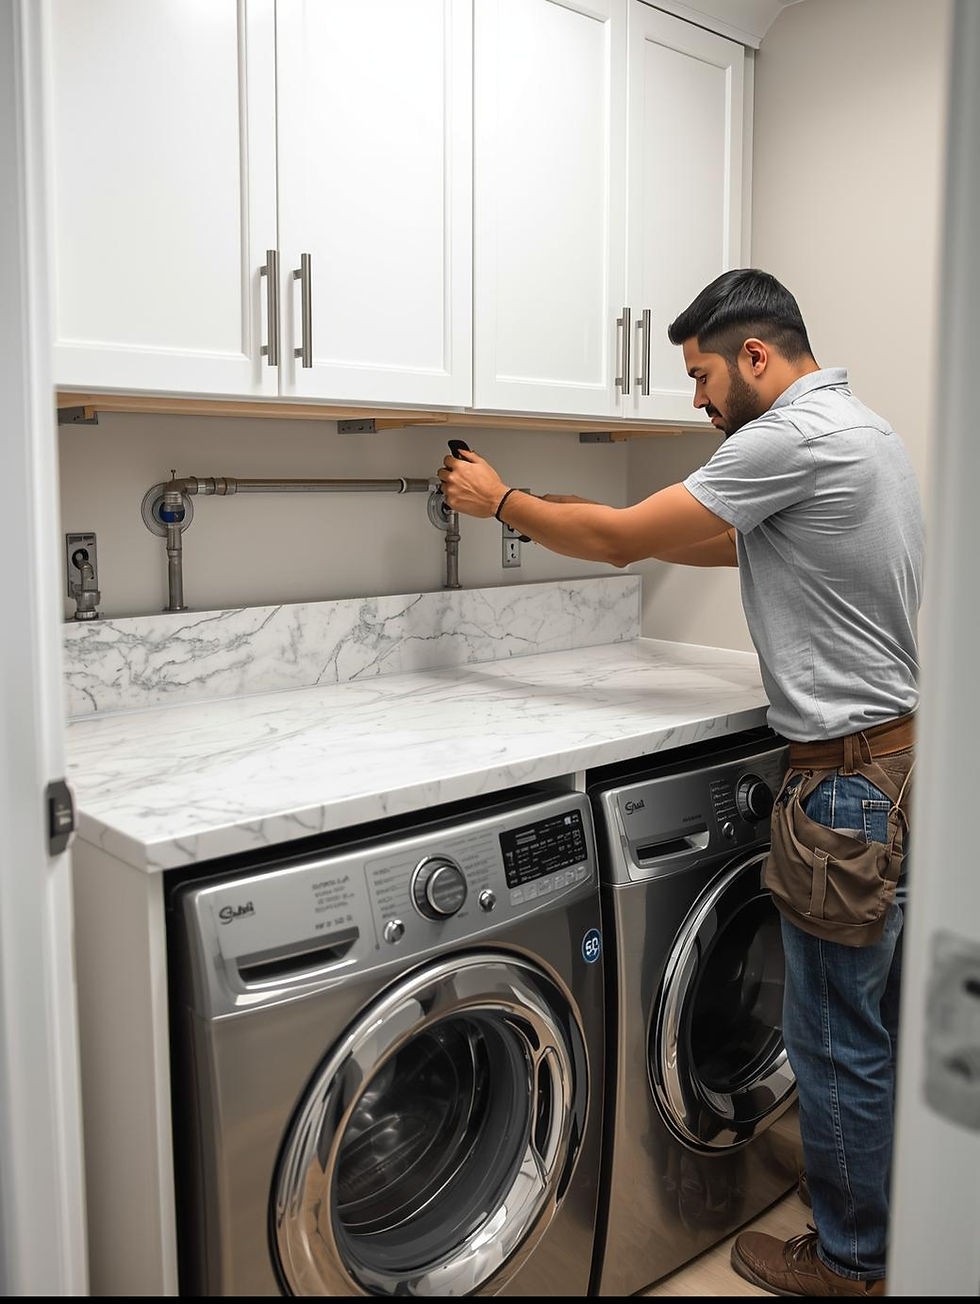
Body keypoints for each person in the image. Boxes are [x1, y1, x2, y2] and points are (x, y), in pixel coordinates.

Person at [438, 268, 923, 1298]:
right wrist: (549, 506)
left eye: (701, 375)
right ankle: (876, 1227)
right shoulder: (858, 431)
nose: (696, 400)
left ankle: (851, 1263)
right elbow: (688, 539)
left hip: (841, 786)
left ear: (755, 356)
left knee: (830, 1040)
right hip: (893, 769)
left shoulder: (782, 438)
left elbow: (622, 541)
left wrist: (498, 503)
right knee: (863, 1025)